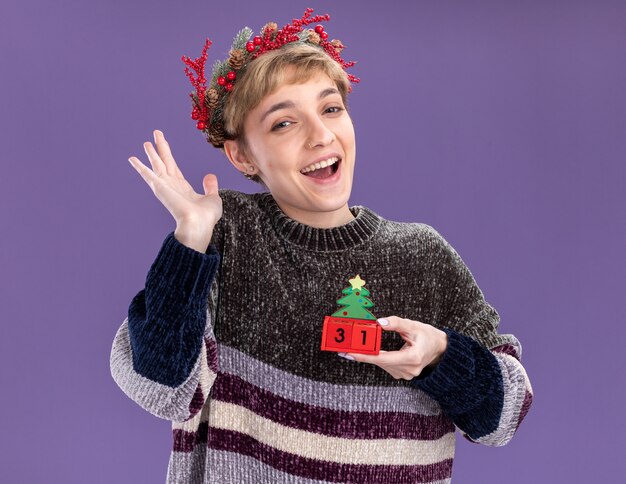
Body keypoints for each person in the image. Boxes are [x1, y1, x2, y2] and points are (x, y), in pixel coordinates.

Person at [110, 7, 533, 484]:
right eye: (283, 124)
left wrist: (440, 355)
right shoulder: (224, 236)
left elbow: (505, 417)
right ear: (242, 155)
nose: (320, 135)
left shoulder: (423, 256)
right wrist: (189, 239)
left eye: (330, 109)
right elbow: (160, 386)